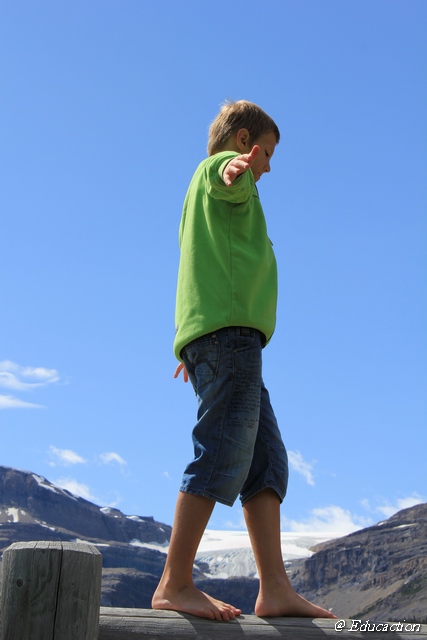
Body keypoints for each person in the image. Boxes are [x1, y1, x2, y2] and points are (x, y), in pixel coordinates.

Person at [152, 100, 336, 622]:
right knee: (223, 449)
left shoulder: (207, 200)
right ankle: (174, 582)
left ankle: (274, 588)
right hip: (228, 338)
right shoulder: (220, 172)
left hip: (225, 342)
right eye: (267, 153)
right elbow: (224, 177)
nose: (268, 167)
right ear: (243, 141)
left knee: (265, 460)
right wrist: (237, 168)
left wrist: (195, 344)